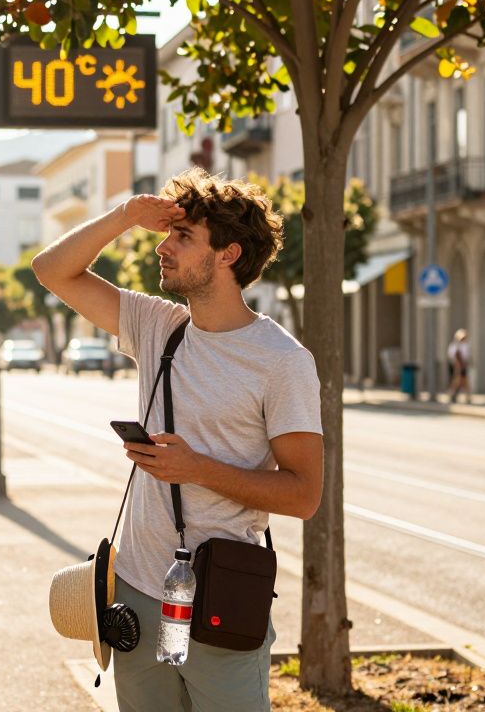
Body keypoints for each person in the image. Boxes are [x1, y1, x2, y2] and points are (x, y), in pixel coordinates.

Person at [32, 168, 323, 712]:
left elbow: (304, 494)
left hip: (222, 600)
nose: (162, 248)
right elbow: (51, 270)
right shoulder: (157, 324)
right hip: (139, 597)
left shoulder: (283, 362)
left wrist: (196, 468)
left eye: (183, 237)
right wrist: (125, 217)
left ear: (228, 254)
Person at [447, 328, 471, 404]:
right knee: (455, 382)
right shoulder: (454, 346)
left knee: (464, 381)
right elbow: (452, 356)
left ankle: (467, 397)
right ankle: (452, 395)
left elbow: (466, 356)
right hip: (456, 366)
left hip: (463, 366)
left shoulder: (466, 345)